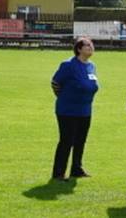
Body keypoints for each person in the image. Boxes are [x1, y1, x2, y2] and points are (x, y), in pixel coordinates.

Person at [50, 37, 99, 180]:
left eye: (91, 45)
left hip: (85, 110)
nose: (91, 47)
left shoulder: (91, 66)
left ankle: (76, 169)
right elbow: (55, 83)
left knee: (80, 140)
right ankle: (58, 173)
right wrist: (64, 97)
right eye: (87, 45)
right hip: (68, 110)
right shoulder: (68, 65)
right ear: (79, 49)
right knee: (66, 141)